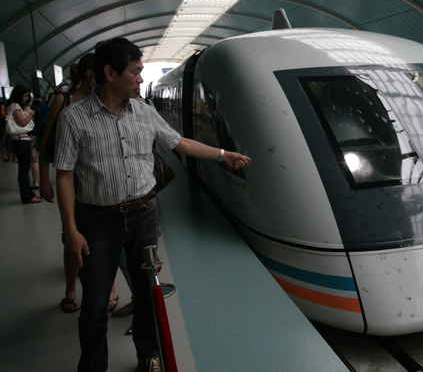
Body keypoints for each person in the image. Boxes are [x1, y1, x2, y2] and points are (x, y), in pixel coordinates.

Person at [55, 37, 251, 372]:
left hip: (143, 215)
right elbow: (64, 175)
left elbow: (180, 143)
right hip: (97, 221)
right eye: (135, 72)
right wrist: (71, 230)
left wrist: (223, 155)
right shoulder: (74, 118)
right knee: (96, 302)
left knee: (147, 294)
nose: (141, 78)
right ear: (110, 73)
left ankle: (148, 355)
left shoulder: (145, 111)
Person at [39, 53, 119, 314]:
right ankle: (71, 289)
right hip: (71, 180)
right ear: (89, 74)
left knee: (104, 235)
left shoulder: (104, 99)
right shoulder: (63, 101)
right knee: (71, 235)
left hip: (97, 179)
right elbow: (46, 141)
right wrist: (43, 178)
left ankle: (109, 286)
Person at [6, 85, 42, 203]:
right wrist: (31, 114)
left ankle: (28, 194)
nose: (26, 98)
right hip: (21, 141)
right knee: (24, 170)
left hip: (21, 140)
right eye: (25, 95)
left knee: (24, 170)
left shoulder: (14, 106)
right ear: (19, 95)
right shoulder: (15, 106)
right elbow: (22, 122)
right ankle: (27, 196)